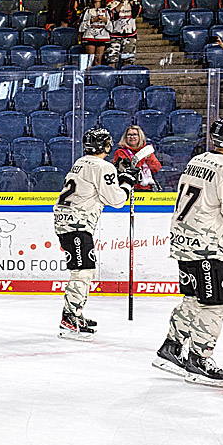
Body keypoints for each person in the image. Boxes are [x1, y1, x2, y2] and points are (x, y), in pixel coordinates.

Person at [152, 116, 223, 387]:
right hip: (208, 248)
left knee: (193, 300)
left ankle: (172, 348)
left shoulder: (197, 160)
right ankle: (199, 359)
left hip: (184, 243)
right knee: (216, 303)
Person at [52, 127, 140, 340]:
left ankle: (75, 313)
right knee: (82, 271)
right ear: (107, 146)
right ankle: (70, 317)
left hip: (68, 221)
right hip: (77, 224)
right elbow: (117, 200)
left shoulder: (80, 162)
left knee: (85, 270)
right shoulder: (103, 166)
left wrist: (119, 177)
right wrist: (127, 182)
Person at [111, 125, 161, 191]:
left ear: (140, 136)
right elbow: (133, 167)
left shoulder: (147, 151)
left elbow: (156, 168)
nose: (132, 137)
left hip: (148, 189)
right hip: (129, 188)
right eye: (129, 135)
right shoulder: (120, 152)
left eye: (135, 134)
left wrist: (149, 157)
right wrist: (143, 155)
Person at [104, 0, 139, 68]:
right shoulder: (111, 4)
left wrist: (130, 1)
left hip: (130, 35)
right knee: (111, 59)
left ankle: (126, 79)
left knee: (128, 60)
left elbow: (135, 13)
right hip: (115, 35)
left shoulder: (131, 2)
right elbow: (113, 16)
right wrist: (122, 2)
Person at [78, 0, 111, 67]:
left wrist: (106, 20)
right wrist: (92, 20)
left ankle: (96, 77)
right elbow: (81, 27)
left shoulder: (106, 10)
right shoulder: (87, 10)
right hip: (90, 36)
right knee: (90, 60)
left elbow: (111, 28)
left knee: (98, 60)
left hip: (103, 36)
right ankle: (88, 77)